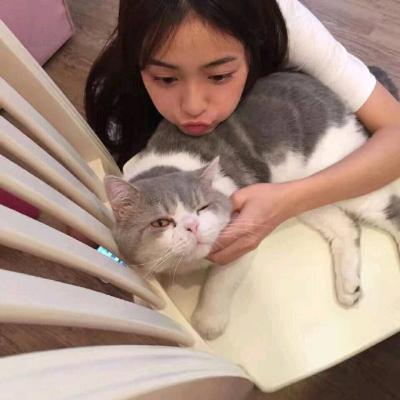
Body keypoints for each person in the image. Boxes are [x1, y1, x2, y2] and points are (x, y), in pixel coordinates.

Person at [85, 0, 400, 266]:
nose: (193, 106)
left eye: (219, 75)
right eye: (166, 78)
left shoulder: (288, 25)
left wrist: (289, 199)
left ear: (255, 48)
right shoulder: (119, 98)